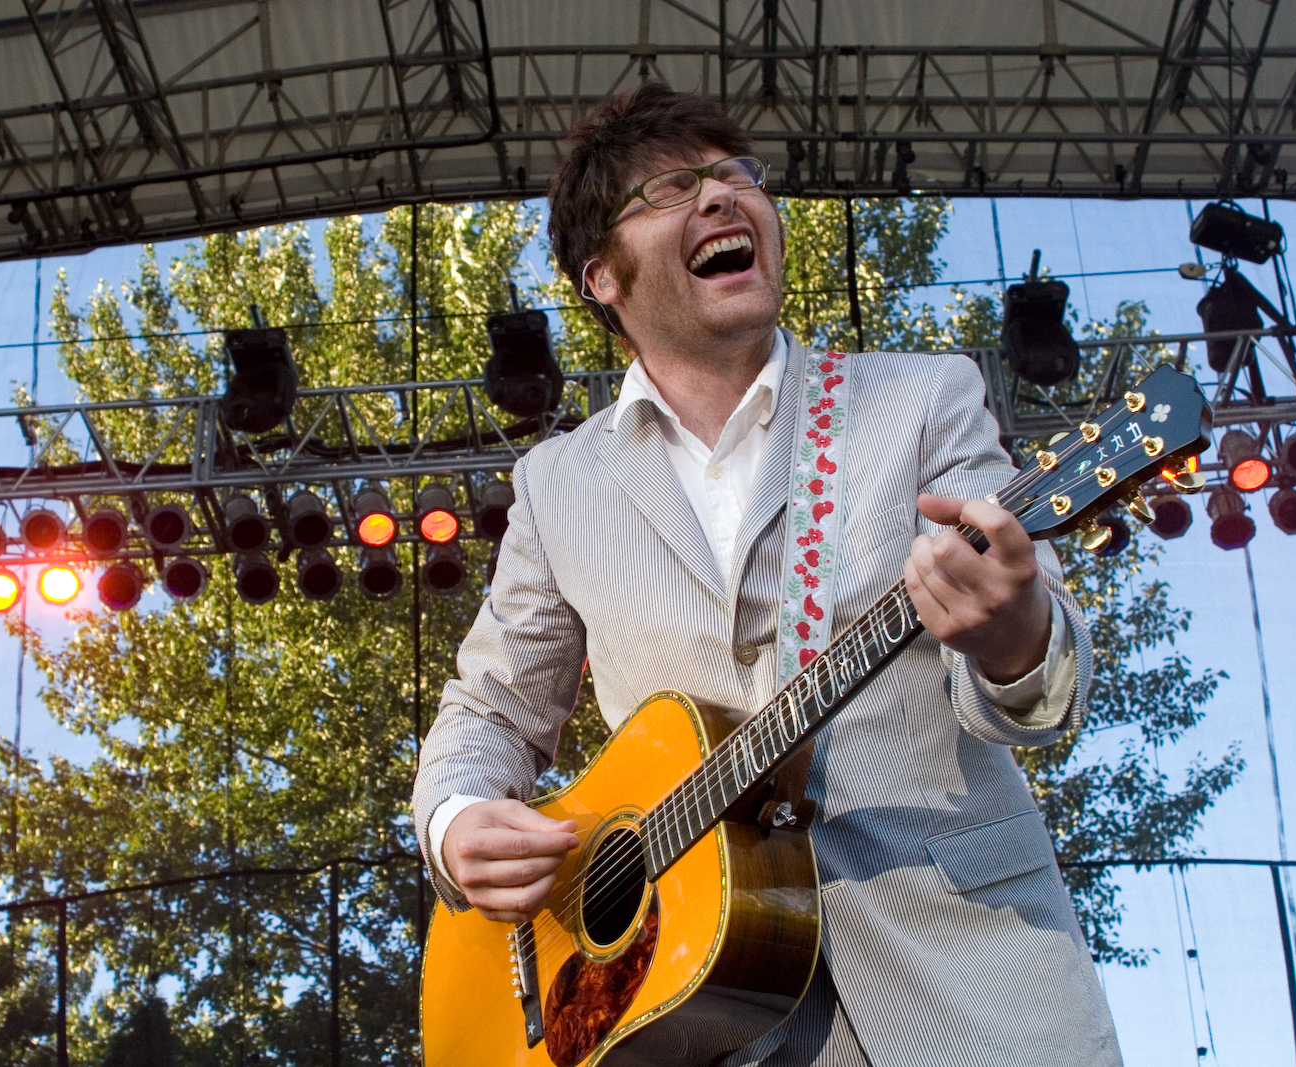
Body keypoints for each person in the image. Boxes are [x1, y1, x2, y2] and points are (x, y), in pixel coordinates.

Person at [412, 83, 1121, 1067]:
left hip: (970, 989)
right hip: (689, 1019)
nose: (718, 199)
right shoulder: (553, 484)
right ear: (602, 278)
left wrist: (1013, 636)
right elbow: (490, 707)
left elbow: (1034, 689)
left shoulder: (925, 397)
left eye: (734, 175)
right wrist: (454, 822)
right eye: (668, 188)